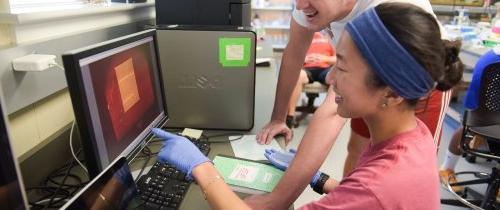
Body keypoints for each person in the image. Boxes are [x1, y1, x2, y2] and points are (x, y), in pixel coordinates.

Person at [152, 3, 463, 209]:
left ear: (391, 92)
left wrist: (202, 169)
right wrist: (322, 180)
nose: (328, 76)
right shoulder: (409, 135)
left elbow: (373, 194)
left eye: (341, 66)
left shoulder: (377, 188)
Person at [250, 0, 452, 209]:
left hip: (417, 83)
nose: (300, 6)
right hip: (366, 80)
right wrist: (278, 118)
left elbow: (331, 113)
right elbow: (294, 52)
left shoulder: (384, 12)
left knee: (399, 172)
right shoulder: (313, 6)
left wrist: (277, 199)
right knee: (358, 152)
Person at [438, 47, 500, 193]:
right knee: (469, 127)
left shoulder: (490, 55)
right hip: (483, 115)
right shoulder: (493, 59)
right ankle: (446, 169)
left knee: (466, 127)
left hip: (478, 114)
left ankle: (447, 168)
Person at [287, 32, 336, 128]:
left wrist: (324, 58)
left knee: (335, 78)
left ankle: (328, 116)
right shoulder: (303, 37)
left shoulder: (330, 37)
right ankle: (290, 117)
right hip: (307, 68)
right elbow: (292, 57)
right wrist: (303, 59)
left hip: (325, 68)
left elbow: (338, 58)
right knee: (298, 76)